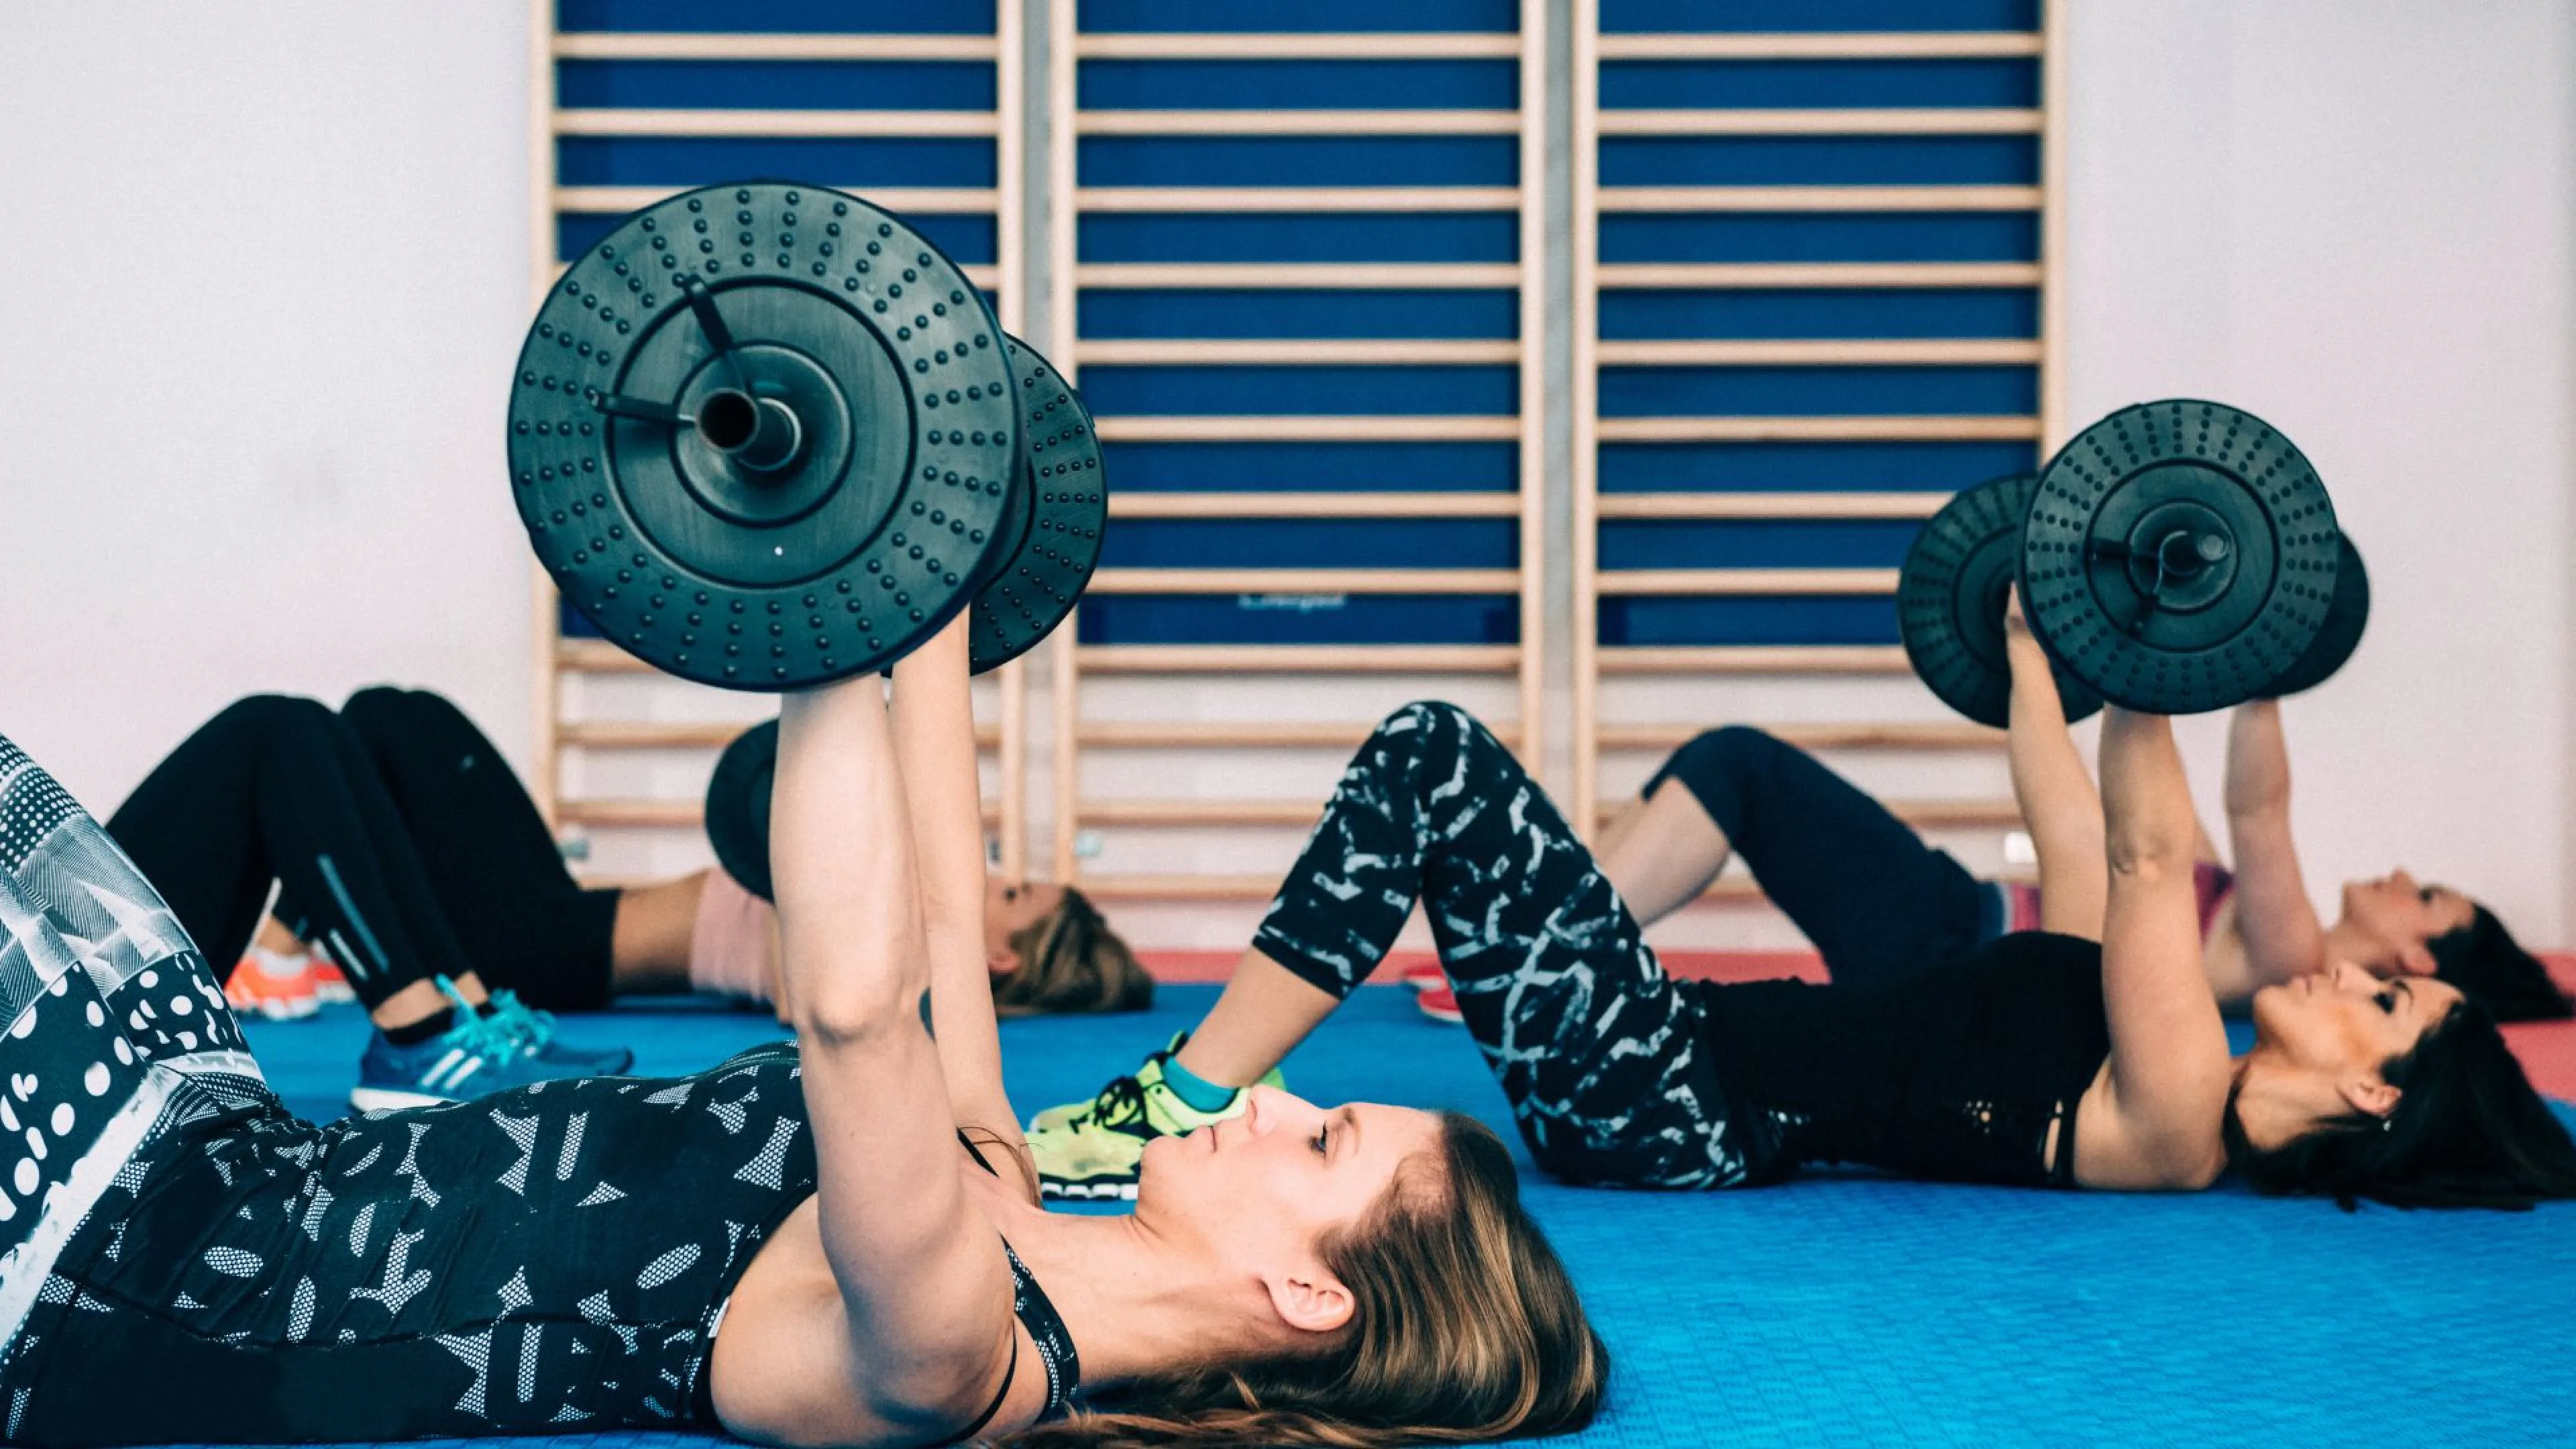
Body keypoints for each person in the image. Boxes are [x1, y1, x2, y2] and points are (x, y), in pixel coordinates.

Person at [0, 614, 1602, 1446]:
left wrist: (827, 607)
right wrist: (927, 614)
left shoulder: (951, 1357)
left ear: (1305, 1291)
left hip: (90, 1263)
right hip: (206, 1143)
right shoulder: (1002, 1198)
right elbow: (943, 941)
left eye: (1321, 1139)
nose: (1277, 1099)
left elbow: (851, 1004)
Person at [1019, 683, 2576, 1210]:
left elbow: (2151, 848)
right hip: (1665, 1064)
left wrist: (2154, 667)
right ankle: (1187, 1091)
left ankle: (1181, 1101)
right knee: (1439, 771)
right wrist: (2046, 654)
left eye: (2381, 1001)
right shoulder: (2152, 1040)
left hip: (1671, 1110)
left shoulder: (2177, 1119)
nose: (2337, 975)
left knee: (1434, 757)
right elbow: (2070, 825)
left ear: (2377, 1096)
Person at [109, 687, 1150, 1106]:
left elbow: (815, 1007)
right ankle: (435, 1008)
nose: (988, 865)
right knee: (391, 716)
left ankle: (418, 1024)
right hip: (563, 917)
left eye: (1007, 890)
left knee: (288, 735)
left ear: (1001, 956)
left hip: (556, 946)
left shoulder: (893, 947)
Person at [1585, 596, 2570, 1024]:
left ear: (2418, 959)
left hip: (1953, 956)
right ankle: (1571, 925)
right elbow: (2144, 762)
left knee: (1742, 768)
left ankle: (1562, 939)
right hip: (1953, 917)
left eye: (2427, 897)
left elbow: (2258, 805)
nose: (2405, 876)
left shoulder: (2289, 951)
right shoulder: (2221, 897)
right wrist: (2161, 626)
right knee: (1722, 767)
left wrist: (2265, 676)